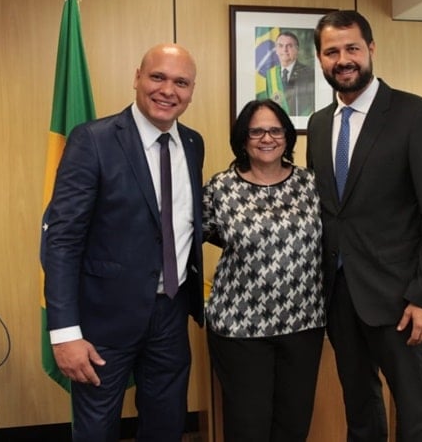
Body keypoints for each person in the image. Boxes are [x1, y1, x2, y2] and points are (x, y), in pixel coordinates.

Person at [40, 43, 205, 442]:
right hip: (103, 321)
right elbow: (61, 240)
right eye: (158, 77)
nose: (168, 90)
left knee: (167, 424)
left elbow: (181, 223)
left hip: (170, 312)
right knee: (96, 429)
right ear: (137, 78)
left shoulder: (194, 143)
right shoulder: (92, 140)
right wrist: (64, 333)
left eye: (181, 82)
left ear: (191, 90)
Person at [306, 10, 422, 441]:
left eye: (352, 48)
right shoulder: (318, 125)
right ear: (320, 59)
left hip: (401, 302)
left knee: (417, 413)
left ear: (370, 49)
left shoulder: (416, 115)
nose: (343, 59)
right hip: (339, 297)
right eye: (332, 51)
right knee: (360, 409)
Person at [203, 98, 325, 442]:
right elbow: (192, 240)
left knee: (293, 424)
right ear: (243, 138)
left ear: (287, 137)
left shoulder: (311, 185)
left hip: (303, 324)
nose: (266, 138)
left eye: (275, 130)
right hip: (240, 329)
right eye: (256, 131)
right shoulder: (221, 188)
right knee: (248, 427)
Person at [275, 31, 316, 117]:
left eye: (289, 46)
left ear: (297, 50)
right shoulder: (270, 75)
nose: (284, 50)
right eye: (280, 46)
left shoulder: (310, 74)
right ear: (276, 50)